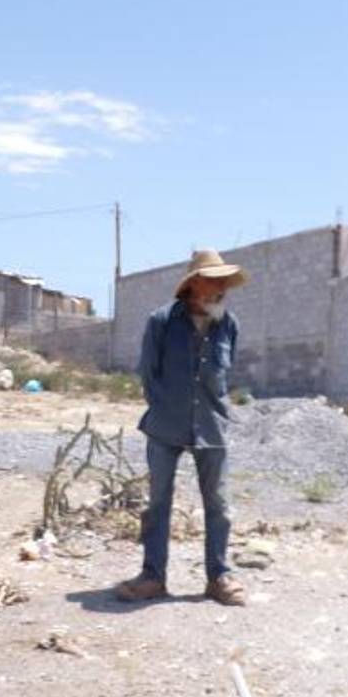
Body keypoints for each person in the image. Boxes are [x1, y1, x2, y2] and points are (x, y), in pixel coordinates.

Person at [116, 249, 249, 606]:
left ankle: (218, 577)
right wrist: (167, 406)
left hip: (212, 425)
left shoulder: (229, 324)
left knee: (218, 504)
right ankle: (152, 577)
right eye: (215, 280)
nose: (222, 288)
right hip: (166, 424)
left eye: (225, 281)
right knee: (158, 502)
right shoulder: (161, 321)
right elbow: (148, 373)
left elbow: (226, 370)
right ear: (194, 285)